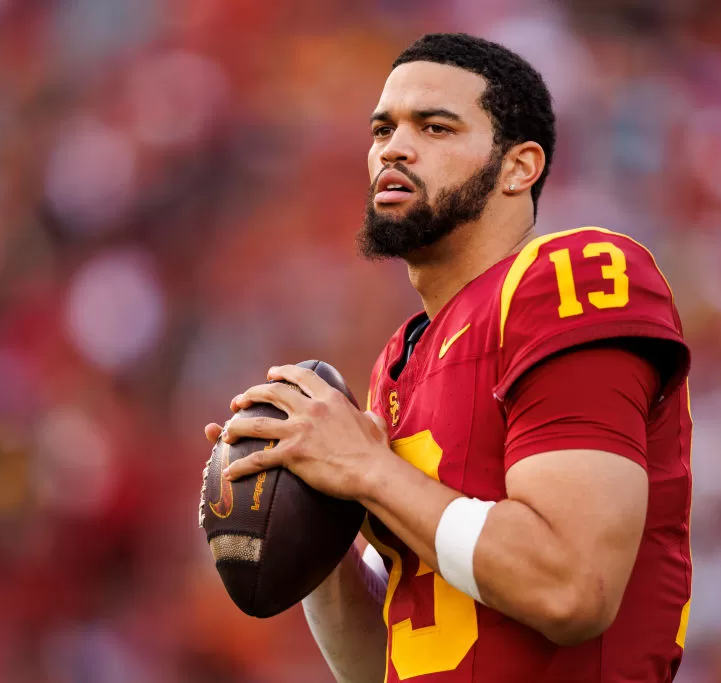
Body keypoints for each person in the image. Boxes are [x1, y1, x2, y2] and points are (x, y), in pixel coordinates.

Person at [205, 33, 693, 683]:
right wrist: (313, 505)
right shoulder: (400, 361)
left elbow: (572, 587)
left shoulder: (570, 276)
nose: (394, 148)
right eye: (383, 129)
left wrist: (369, 470)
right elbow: (394, 661)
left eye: (435, 126)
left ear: (520, 167)